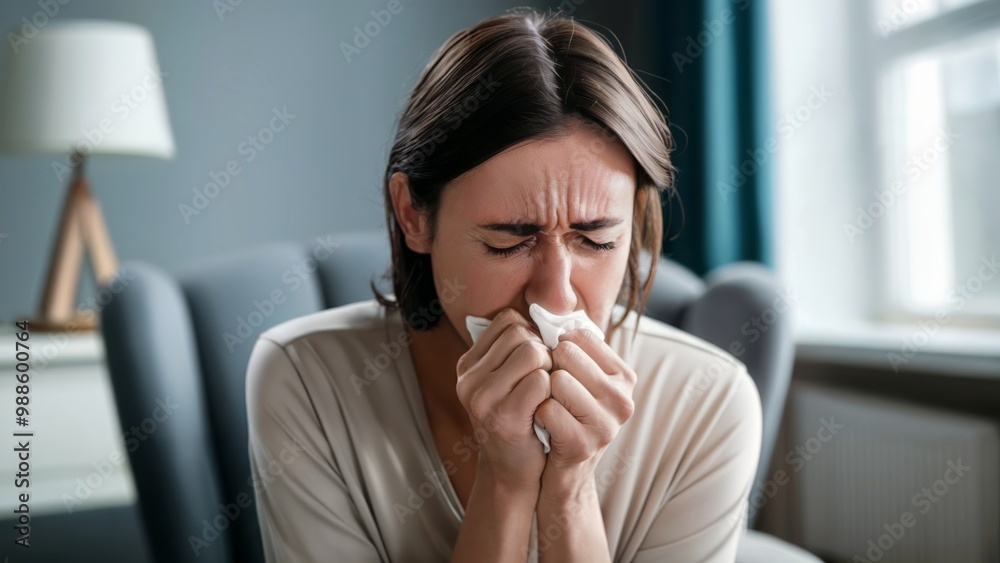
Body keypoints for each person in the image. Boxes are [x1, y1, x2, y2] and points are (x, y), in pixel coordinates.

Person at [245, 8, 762, 562]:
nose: (556, 298)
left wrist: (569, 490)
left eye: (596, 240)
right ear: (414, 216)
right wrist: (505, 484)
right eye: (508, 243)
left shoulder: (709, 401)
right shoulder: (304, 381)